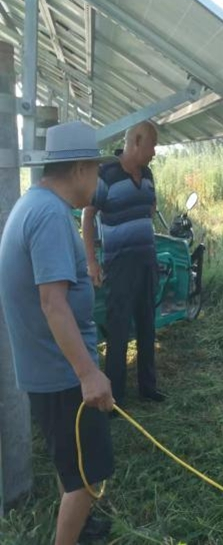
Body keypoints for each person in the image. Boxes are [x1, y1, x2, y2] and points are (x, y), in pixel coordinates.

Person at [0, 121, 116, 545]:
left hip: (51, 367)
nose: (100, 179)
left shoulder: (36, 204)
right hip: (63, 373)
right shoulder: (49, 215)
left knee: (74, 462)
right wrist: (88, 374)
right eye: (98, 170)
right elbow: (53, 304)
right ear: (81, 169)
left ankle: (82, 530)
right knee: (86, 476)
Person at [82, 121, 165, 406]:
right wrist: (92, 261)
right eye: (152, 145)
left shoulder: (149, 173)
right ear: (137, 142)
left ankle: (148, 387)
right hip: (119, 264)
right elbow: (88, 215)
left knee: (147, 324)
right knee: (118, 330)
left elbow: (150, 208)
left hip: (146, 261)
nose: (154, 152)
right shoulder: (106, 174)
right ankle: (115, 395)